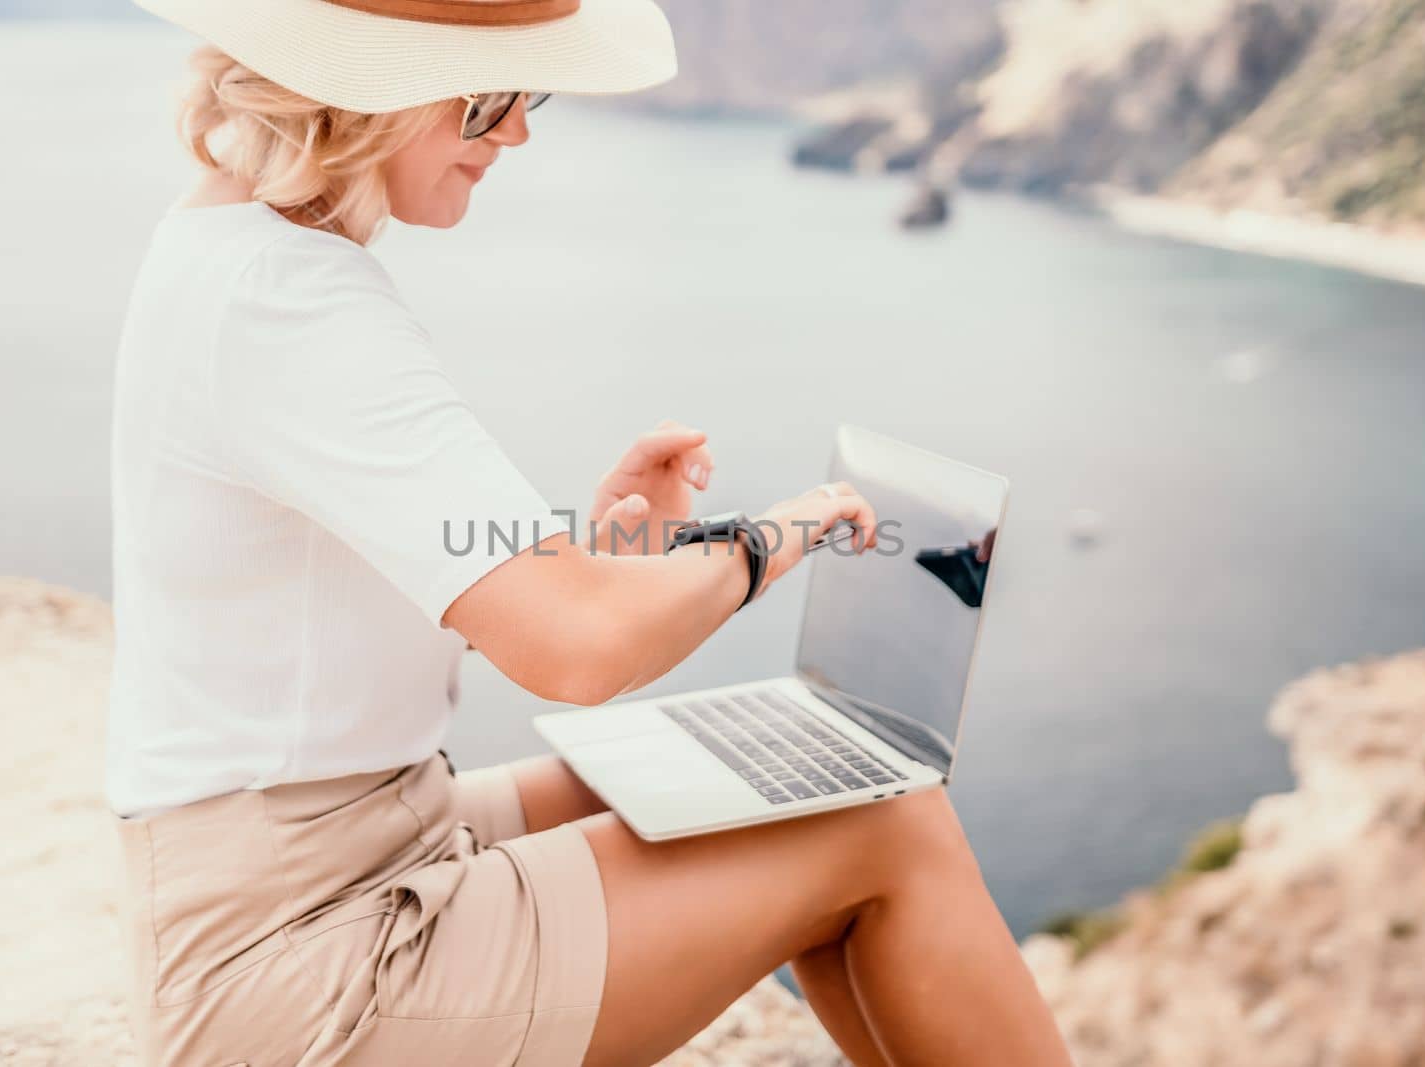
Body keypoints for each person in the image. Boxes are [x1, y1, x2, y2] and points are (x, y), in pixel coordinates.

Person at [106, 1, 1075, 1064]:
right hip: (302, 958)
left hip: (330, 854)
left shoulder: (234, 252)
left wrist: (597, 571)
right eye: (488, 96)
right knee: (885, 821)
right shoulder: (290, 300)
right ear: (370, 90)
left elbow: (373, 597)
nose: (516, 131)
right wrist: (768, 539)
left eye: (529, 95)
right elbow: (578, 648)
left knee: (782, 769)